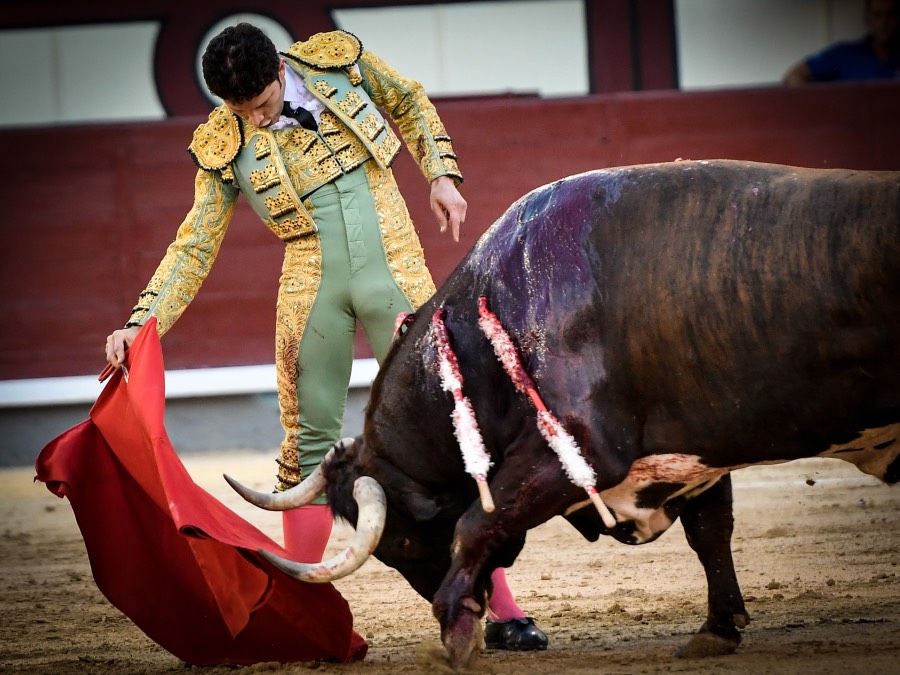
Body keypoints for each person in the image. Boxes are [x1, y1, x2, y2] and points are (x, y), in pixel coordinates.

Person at [103, 23, 546, 651]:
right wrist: (140, 321)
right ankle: (308, 615)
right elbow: (194, 244)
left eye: (262, 103)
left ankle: (499, 605)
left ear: (280, 72)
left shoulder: (337, 64)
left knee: (451, 431)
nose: (257, 120)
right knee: (307, 448)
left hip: (394, 266)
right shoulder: (223, 142)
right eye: (241, 111)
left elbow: (411, 100)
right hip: (310, 287)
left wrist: (441, 173)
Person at [783, 0, 899, 84]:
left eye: (890, 14)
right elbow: (794, 76)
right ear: (867, 19)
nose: (884, 23)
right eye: (877, 15)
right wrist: (819, 108)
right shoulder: (845, 55)